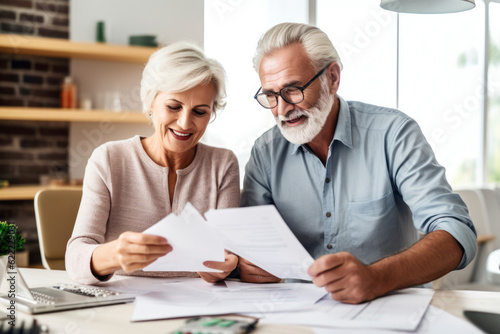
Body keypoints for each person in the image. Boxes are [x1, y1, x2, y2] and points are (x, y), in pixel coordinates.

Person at [239, 23, 477, 304]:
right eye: (270, 95)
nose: (281, 109)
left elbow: (456, 232)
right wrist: (246, 264)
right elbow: (248, 245)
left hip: (392, 309)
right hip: (298, 314)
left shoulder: (393, 134)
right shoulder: (265, 153)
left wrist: (377, 278)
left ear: (333, 77)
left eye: (293, 90)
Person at [66, 42, 240, 285]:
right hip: (123, 300)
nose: (184, 123)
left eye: (199, 112)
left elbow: (228, 254)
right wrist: (114, 254)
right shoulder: (108, 159)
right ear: (150, 102)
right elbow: (75, 259)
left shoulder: (223, 164)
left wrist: (225, 266)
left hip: (199, 302)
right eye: (173, 107)